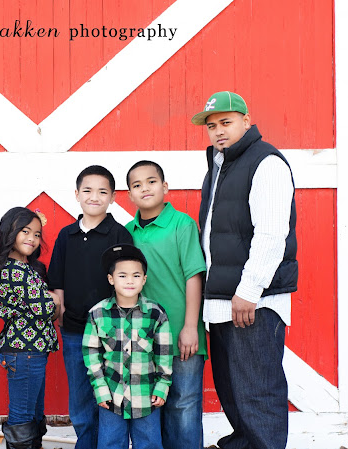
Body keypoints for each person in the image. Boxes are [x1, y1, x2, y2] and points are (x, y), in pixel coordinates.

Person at [192, 91, 297, 449]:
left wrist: (249, 290)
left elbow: (272, 233)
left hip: (252, 301)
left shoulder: (265, 162)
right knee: (233, 390)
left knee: (257, 392)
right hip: (224, 300)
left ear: (246, 121)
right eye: (211, 126)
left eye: (226, 122)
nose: (218, 131)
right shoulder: (220, 165)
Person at [47, 165, 132, 449]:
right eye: (87, 190)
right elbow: (57, 280)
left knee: (110, 393)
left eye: (102, 191)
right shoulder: (66, 235)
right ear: (76, 194)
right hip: (74, 330)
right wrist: (61, 313)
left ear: (113, 197)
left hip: (112, 330)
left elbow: (126, 281)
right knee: (81, 397)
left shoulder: (119, 235)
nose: (94, 197)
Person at [125, 160, 207, 449]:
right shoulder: (128, 232)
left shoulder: (182, 224)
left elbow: (194, 276)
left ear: (165, 187)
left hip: (181, 332)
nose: (145, 188)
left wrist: (190, 326)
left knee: (183, 404)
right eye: (137, 185)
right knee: (150, 408)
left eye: (151, 181)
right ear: (129, 195)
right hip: (142, 338)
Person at [83, 244, 173, 449]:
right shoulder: (97, 313)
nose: (130, 281)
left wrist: (162, 386)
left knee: (149, 444)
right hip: (111, 396)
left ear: (144, 279)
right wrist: (100, 388)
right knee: (110, 444)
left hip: (147, 396)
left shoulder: (156, 313)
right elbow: (91, 354)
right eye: (122, 275)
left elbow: (164, 354)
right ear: (111, 279)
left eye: (136, 275)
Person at [0, 207, 60, 449]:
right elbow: (46, 309)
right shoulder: (13, 270)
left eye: (37, 234)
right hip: (24, 351)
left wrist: (51, 301)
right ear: (10, 232)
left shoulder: (27, 268)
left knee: (34, 413)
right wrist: (55, 300)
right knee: (22, 415)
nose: (32, 238)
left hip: (32, 351)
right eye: (25, 231)